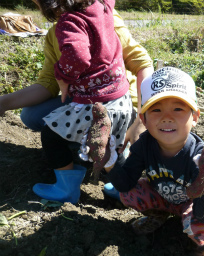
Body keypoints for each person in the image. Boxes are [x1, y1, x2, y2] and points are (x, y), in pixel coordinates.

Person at [23, 0, 152, 204]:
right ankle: (124, 188)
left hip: (93, 103)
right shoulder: (103, 8)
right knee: (113, 141)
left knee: (51, 134)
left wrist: (62, 76)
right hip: (121, 101)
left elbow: (78, 56)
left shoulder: (69, 22)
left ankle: (67, 187)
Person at [104, 67, 204, 256]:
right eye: (156, 109)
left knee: (203, 225)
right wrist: (110, 161)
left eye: (178, 108)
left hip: (193, 206)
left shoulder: (199, 157)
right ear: (143, 119)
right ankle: (158, 216)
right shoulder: (143, 146)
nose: (167, 117)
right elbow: (125, 183)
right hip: (163, 199)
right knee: (129, 193)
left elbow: (203, 214)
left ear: (195, 116)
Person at [0, 2, 153, 150]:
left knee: (114, 150)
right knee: (31, 115)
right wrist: (3, 103)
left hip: (120, 100)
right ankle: (86, 146)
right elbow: (48, 83)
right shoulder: (56, 32)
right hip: (84, 98)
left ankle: (117, 141)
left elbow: (143, 64)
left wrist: (142, 118)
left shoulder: (103, 14)